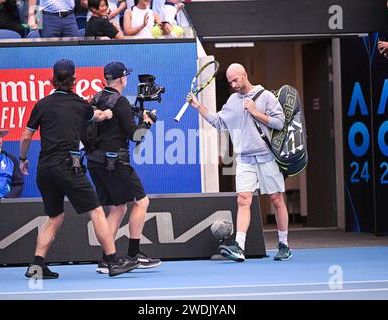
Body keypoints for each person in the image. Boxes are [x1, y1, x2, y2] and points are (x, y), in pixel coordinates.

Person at [19, 59, 139, 279]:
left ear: (53, 78)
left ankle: (36, 266)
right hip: (67, 166)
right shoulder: (79, 103)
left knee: (55, 217)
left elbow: (27, 135)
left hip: (44, 169)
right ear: (74, 79)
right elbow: (100, 115)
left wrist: (22, 158)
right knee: (96, 210)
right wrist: (109, 114)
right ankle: (112, 260)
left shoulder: (42, 104)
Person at [186, 63, 292, 262]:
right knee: (243, 200)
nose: (233, 84)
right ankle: (239, 246)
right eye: (230, 82)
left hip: (267, 156)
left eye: (236, 80)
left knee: (276, 200)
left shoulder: (266, 96)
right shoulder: (232, 101)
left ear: (244, 75)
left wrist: (255, 112)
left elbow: (279, 123)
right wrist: (197, 105)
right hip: (244, 159)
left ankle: (284, 245)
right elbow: (218, 122)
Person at [83, 61, 161, 273]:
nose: (127, 79)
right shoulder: (120, 102)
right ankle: (134, 253)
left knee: (117, 208)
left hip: (95, 162)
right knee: (142, 202)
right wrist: (148, 122)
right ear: (121, 79)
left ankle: (106, 259)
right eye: (126, 76)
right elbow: (135, 135)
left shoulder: (96, 98)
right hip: (115, 162)